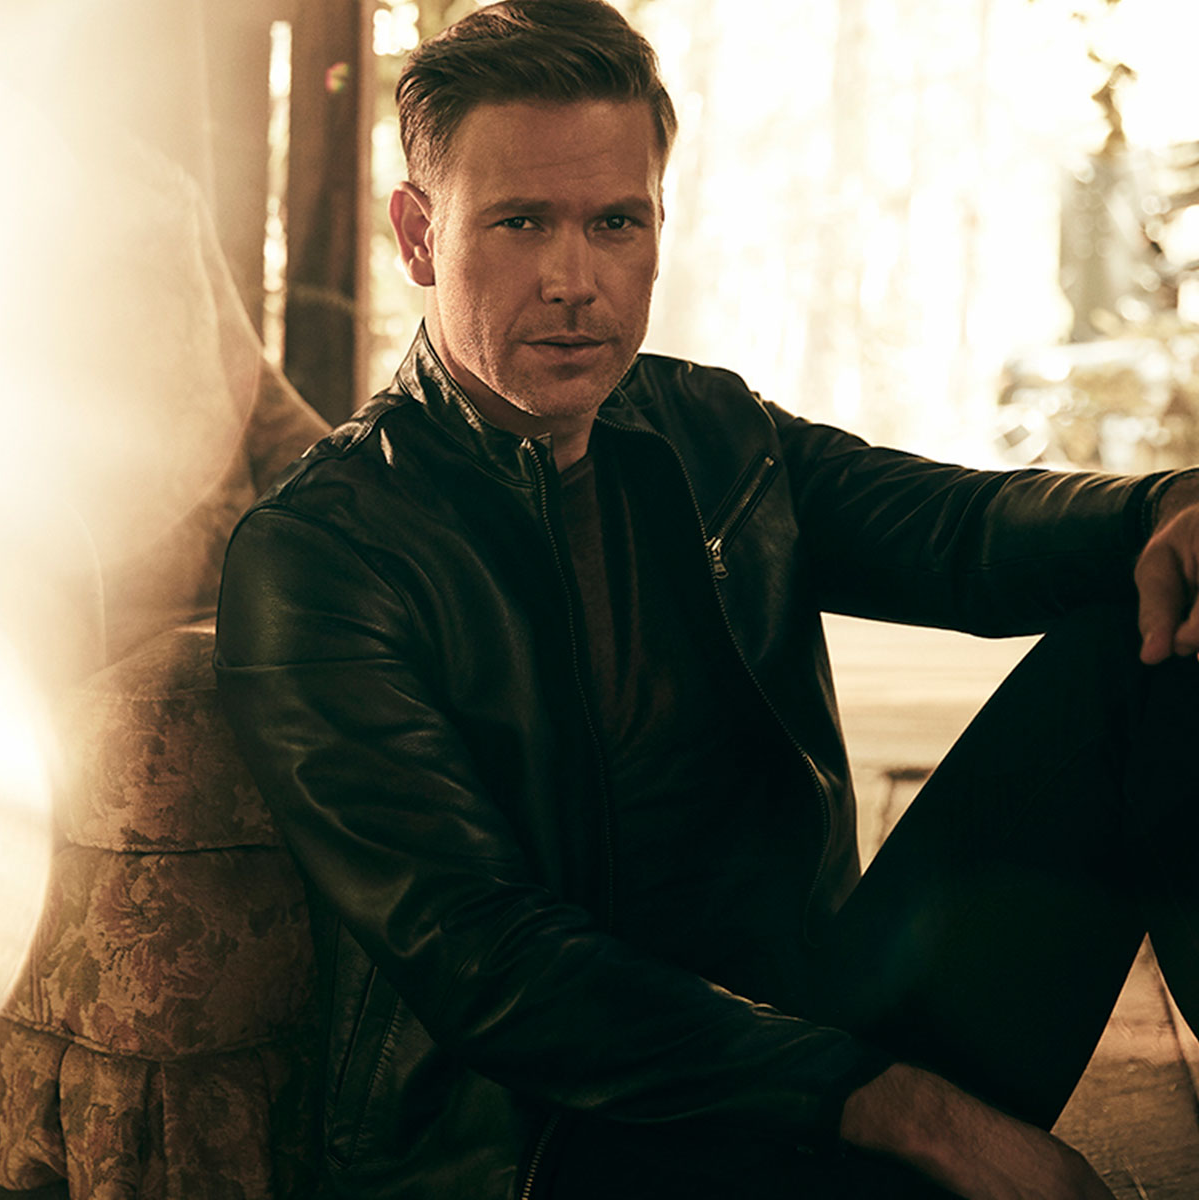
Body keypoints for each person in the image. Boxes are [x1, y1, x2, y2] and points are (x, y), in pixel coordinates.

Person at [213, 1, 1199, 1196]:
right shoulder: (324, 552)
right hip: (559, 1142)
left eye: (614, 223)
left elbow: (961, 531)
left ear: (657, 228)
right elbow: (491, 965)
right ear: (420, 235)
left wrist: (1168, 506)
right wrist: (922, 1117)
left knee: (1160, 645)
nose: (574, 281)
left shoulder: (708, 430)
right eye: (520, 223)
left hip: (818, 1044)